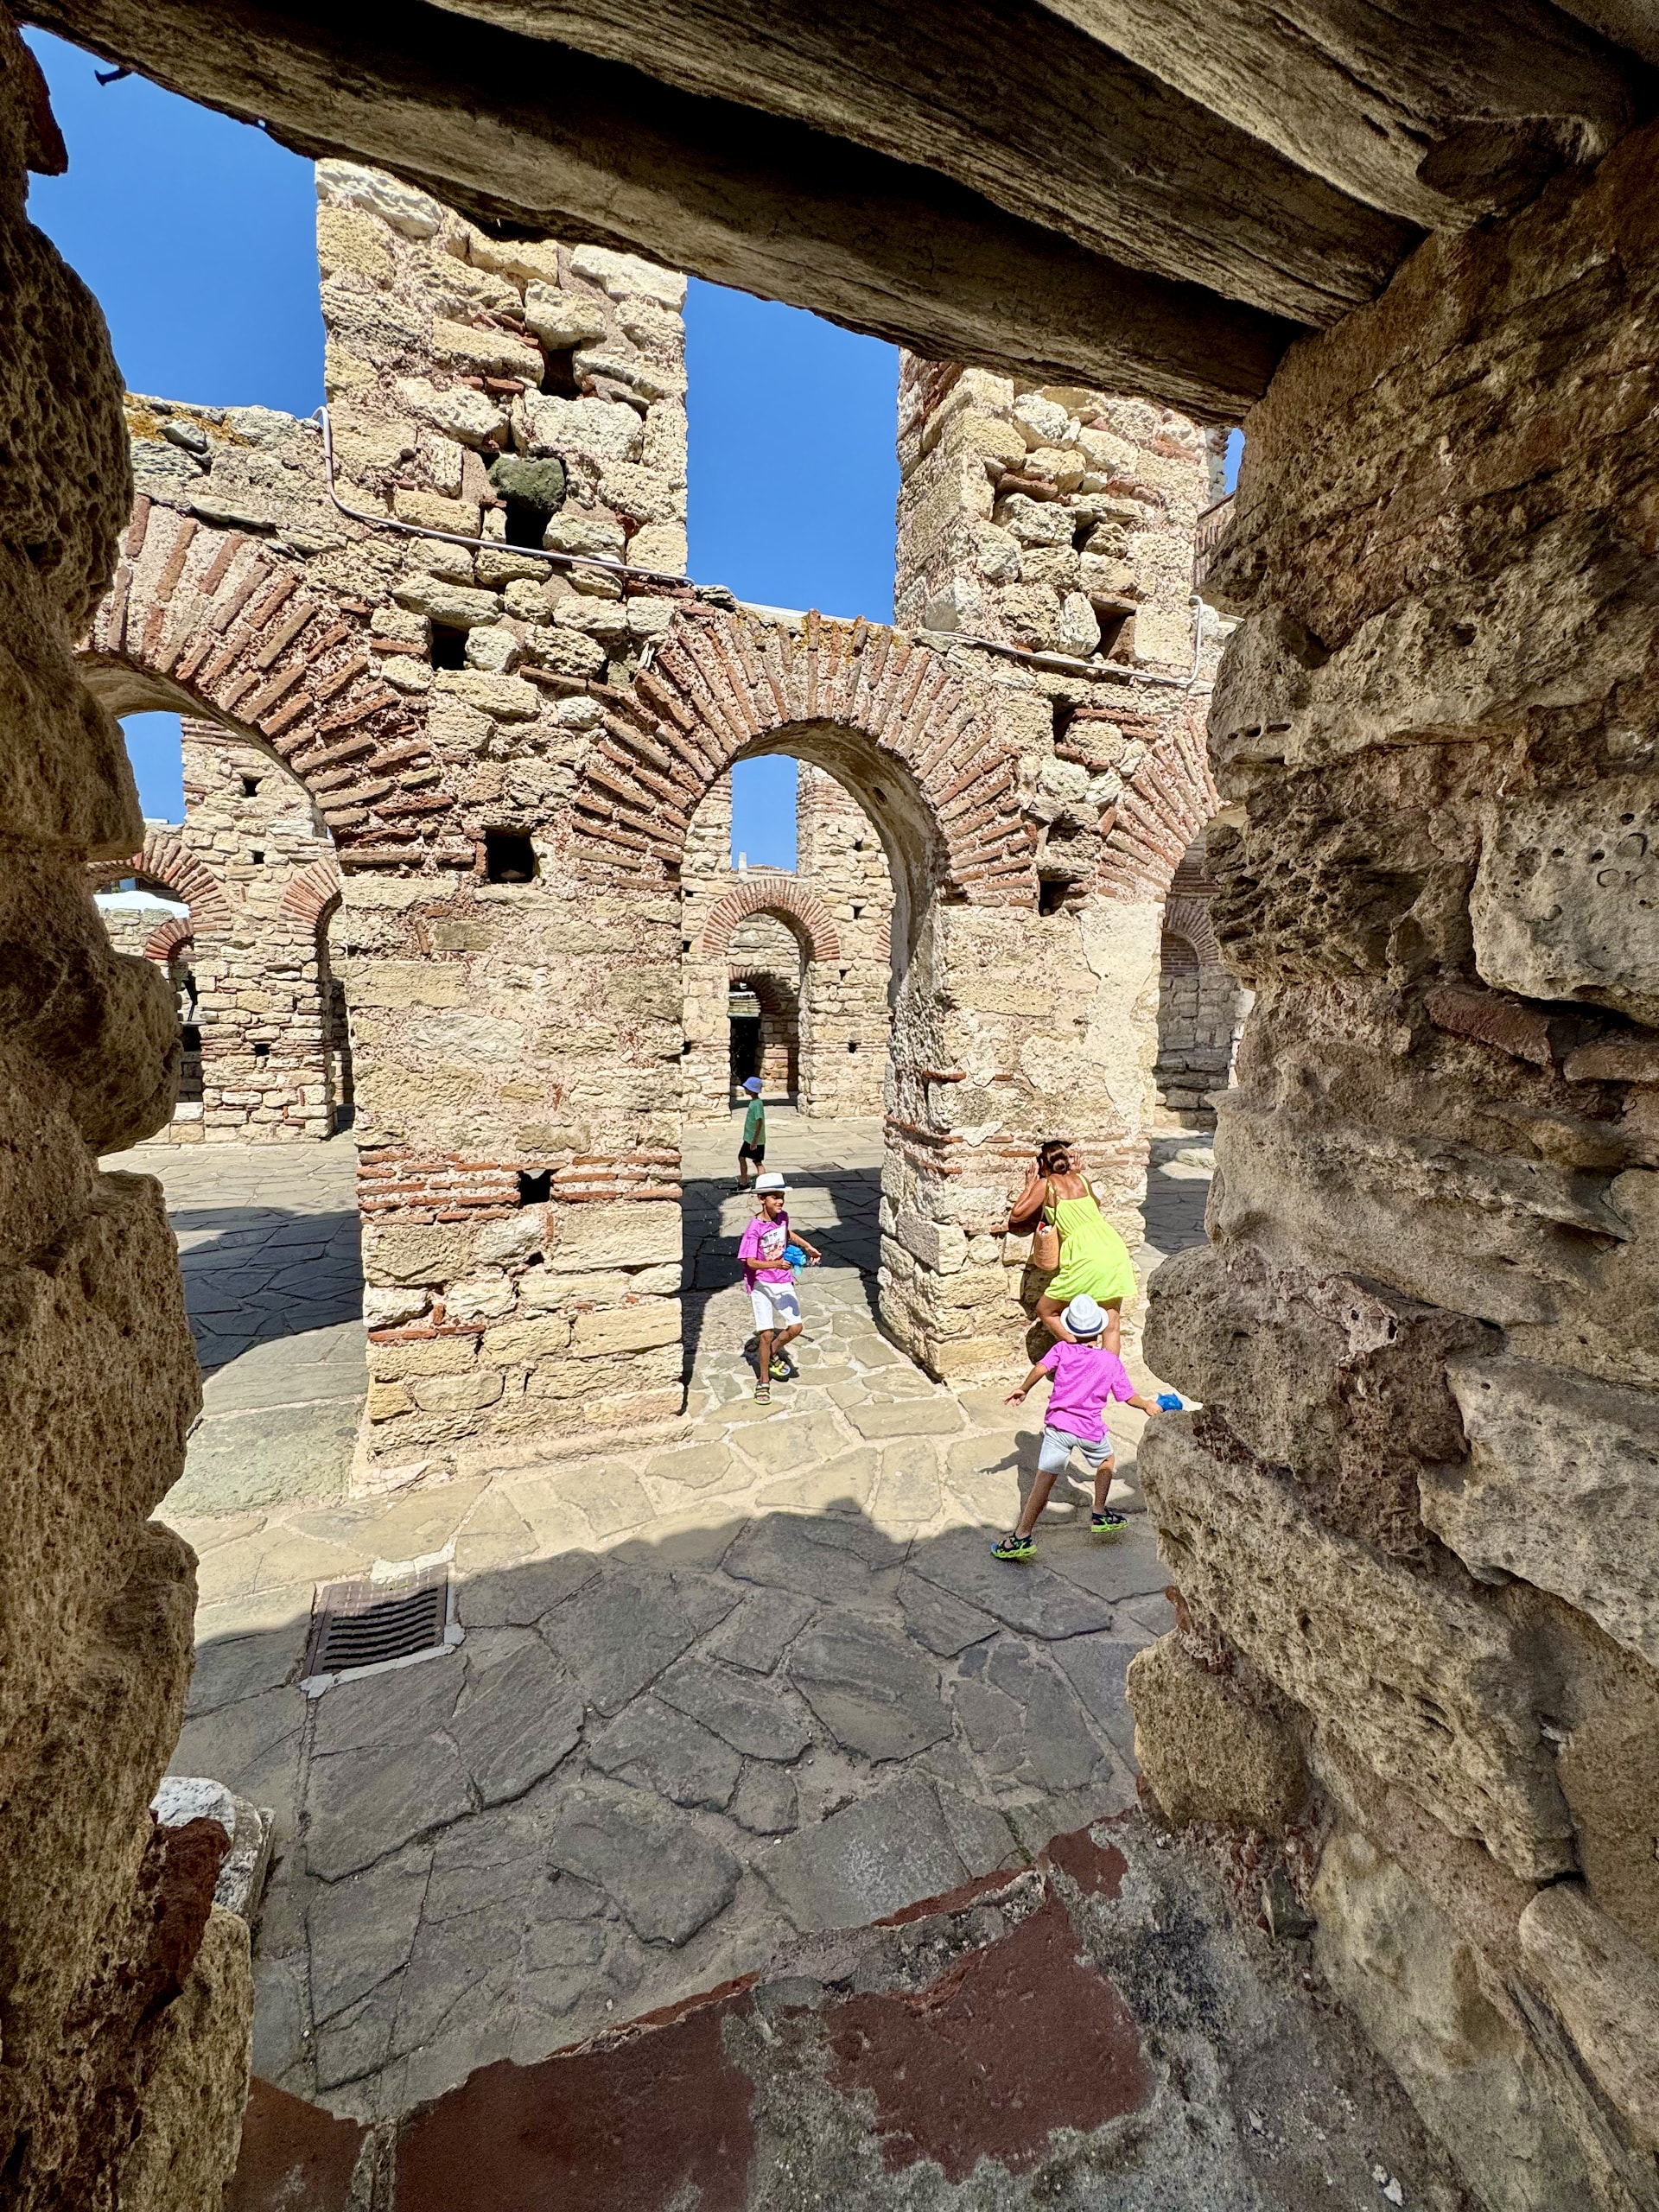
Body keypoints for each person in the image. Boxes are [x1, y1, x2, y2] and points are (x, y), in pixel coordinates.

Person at [991, 1294, 1162, 1561]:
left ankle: (1022, 1535)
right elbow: (1128, 1396)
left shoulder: (1062, 1349)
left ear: (1070, 1327)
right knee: (1106, 1461)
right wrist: (1147, 1405)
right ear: (1099, 1330)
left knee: (1042, 1483)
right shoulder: (1110, 1361)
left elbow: (1041, 1368)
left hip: (1058, 1428)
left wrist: (1023, 1389)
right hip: (1089, 1430)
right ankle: (1100, 1512)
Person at [1007, 1136, 1137, 1350]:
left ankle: (1080, 1353)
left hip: (1085, 1253)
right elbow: (1096, 1205)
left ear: (1043, 1164)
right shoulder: (1082, 1180)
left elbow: (1017, 1215)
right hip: (1112, 1245)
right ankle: (1108, 1370)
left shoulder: (1046, 1184)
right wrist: (1076, 1173)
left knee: (1046, 1310)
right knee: (1111, 1324)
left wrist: (1029, 1186)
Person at [737, 1172, 821, 1401]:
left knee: (795, 1328)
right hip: (761, 1284)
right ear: (761, 1199)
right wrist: (775, 1263)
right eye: (774, 1196)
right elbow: (750, 1262)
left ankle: (770, 1353)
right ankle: (763, 1380)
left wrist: (807, 1246)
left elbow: (786, 1233)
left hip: (782, 1281)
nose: (780, 1200)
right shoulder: (754, 1228)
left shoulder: (782, 1217)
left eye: (781, 1196)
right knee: (765, 1334)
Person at [737, 1074, 766, 1189]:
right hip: (750, 1138)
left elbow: (759, 1122)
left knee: (755, 1161)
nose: (745, 1089)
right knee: (748, 1159)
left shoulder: (757, 1104)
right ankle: (746, 1181)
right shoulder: (754, 1102)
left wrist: (754, 1141)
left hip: (754, 1139)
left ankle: (757, 1183)